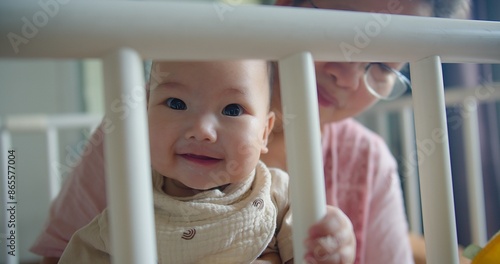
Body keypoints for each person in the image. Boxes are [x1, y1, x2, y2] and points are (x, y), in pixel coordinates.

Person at [31, 0, 471, 263]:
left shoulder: (368, 163)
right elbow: (60, 254)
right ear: (285, 9)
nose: (347, 74)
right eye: (341, 34)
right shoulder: (138, 135)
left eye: (381, 65)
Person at [56, 60, 356, 264]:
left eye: (233, 109)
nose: (202, 130)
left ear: (265, 132)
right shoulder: (128, 210)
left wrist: (331, 240)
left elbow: (311, 248)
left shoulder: (278, 193)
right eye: (176, 103)